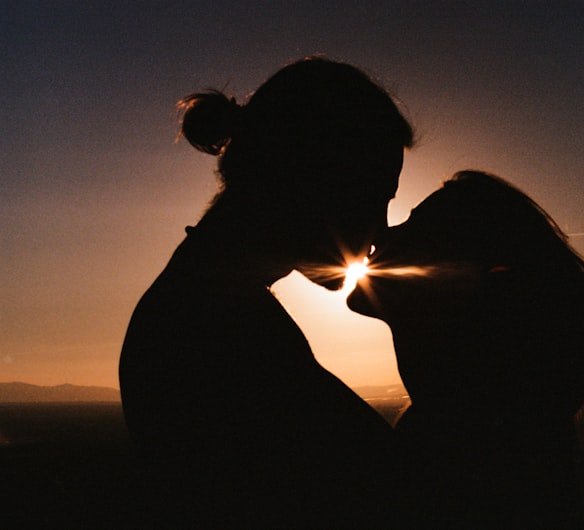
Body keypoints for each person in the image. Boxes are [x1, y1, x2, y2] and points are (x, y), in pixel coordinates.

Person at [118, 57, 414, 527]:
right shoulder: (214, 330)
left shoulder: (205, 306)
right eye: (374, 196)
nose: (379, 231)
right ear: (310, 178)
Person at [348, 171, 584, 528]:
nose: (382, 233)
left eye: (415, 225)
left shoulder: (448, 455)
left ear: (455, 278)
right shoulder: (470, 434)